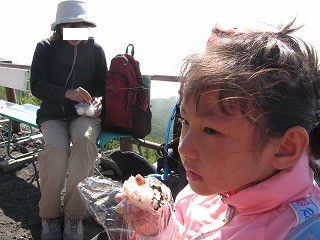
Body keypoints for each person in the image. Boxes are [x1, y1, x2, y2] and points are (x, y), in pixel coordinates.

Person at [116, 20, 320, 239]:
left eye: (211, 131)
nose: (184, 148)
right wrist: (157, 228)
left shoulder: (299, 232)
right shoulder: (210, 192)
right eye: (185, 121)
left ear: (285, 147)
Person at [30, 1, 107, 239]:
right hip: (53, 115)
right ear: (60, 27)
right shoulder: (45, 48)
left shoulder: (96, 50)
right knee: (56, 151)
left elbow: (102, 86)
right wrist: (66, 92)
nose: (77, 30)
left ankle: (74, 217)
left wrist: (99, 102)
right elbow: (36, 86)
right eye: (71, 25)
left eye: (81, 25)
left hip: (83, 115)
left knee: (84, 144)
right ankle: (50, 216)